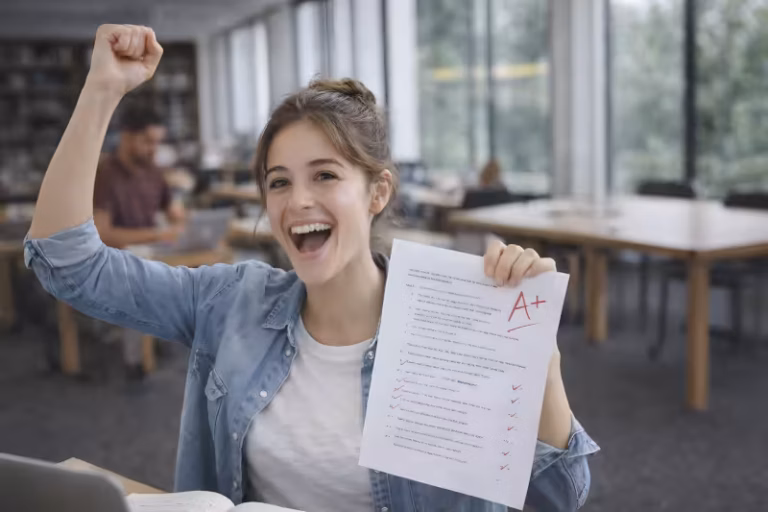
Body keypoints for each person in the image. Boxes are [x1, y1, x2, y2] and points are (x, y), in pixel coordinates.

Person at [25, 24, 599, 512]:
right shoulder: (231, 301)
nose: (297, 200)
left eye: (324, 176)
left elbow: (557, 497)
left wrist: (535, 355)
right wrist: (102, 92)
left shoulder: (450, 324)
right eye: (279, 182)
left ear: (377, 192)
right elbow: (67, 264)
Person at [93, 102, 186, 378]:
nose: (153, 149)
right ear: (126, 135)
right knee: (137, 275)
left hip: (152, 249)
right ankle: (135, 362)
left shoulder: (154, 172)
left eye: (157, 142)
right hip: (114, 257)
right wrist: (158, 233)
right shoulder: (105, 174)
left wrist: (186, 223)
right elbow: (103, 235)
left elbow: (175, 214)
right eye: (147, 141)